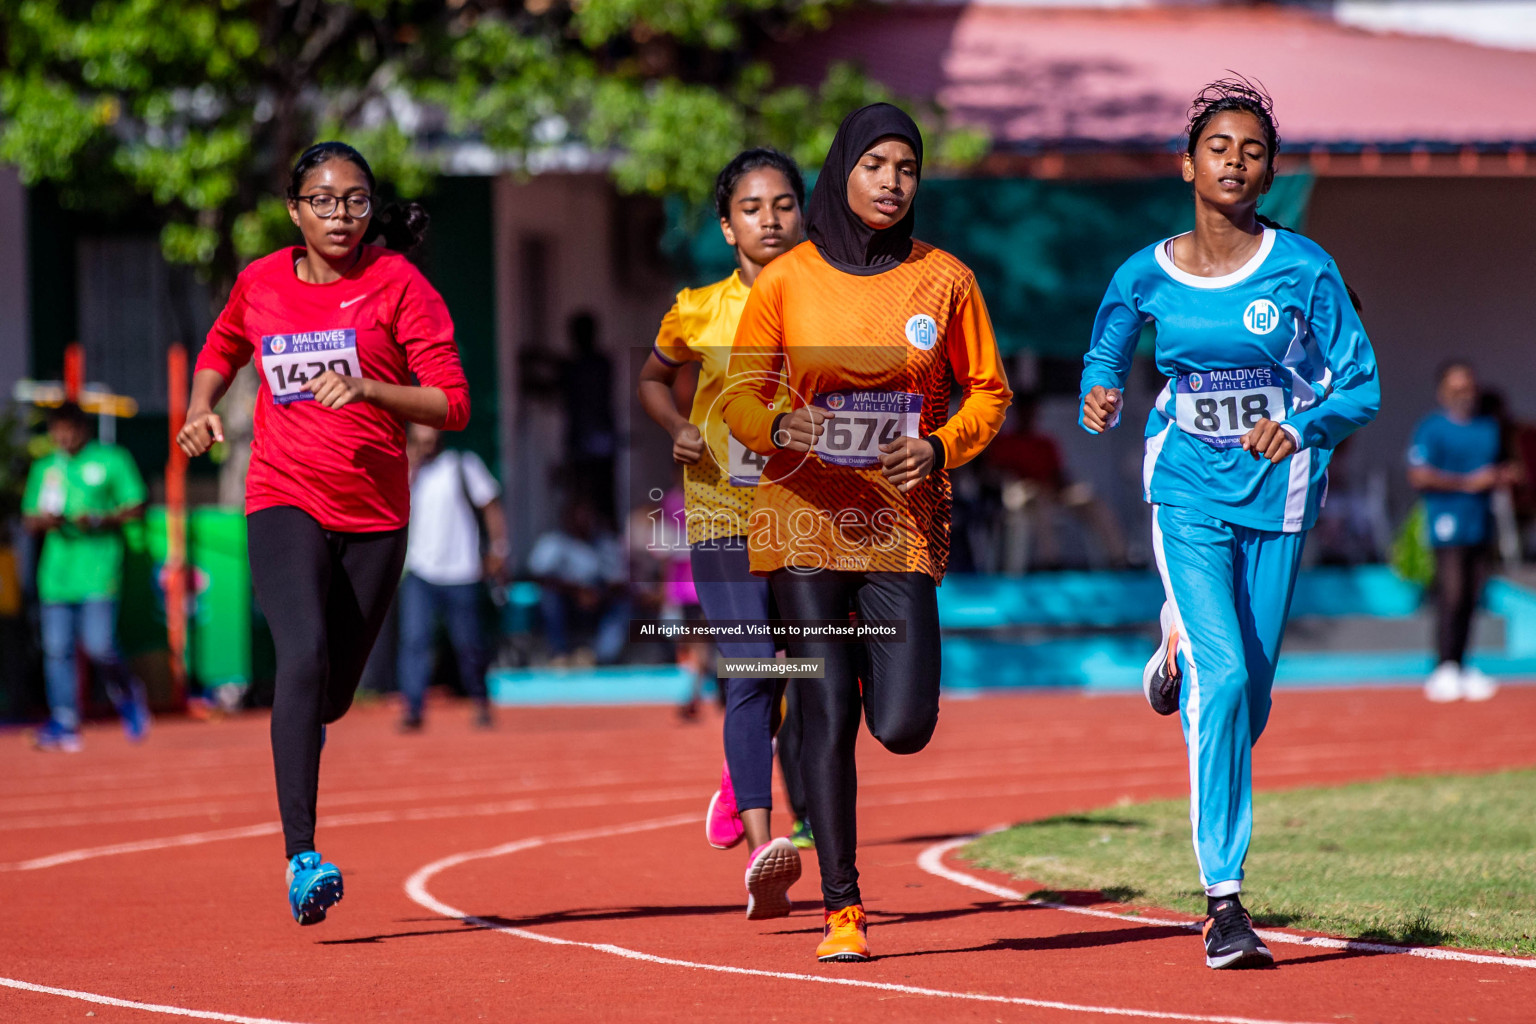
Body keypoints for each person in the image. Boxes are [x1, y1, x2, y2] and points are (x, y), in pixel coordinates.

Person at [1080, 78, 1380, 970]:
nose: (1236, 161)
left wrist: (1299, 424)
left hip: (1280, 494)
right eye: (1220, 146)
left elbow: (1359, 385)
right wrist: (1101, 385)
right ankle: (1225, 903)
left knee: (1246, 696)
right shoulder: (1146, 271)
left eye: (1253, 150)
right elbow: (1110, 337)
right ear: (1187, 164)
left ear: (1270, 173)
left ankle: (1174, 645)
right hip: (1184, 487)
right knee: (1225, 680)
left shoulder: (1304, 268)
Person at [722, 105, 1012, 961]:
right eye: (875, 164)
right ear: (842, 170)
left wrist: (938, 443)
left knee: (903, 723)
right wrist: (781, 429)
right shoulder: (786, 280)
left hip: (898, 529)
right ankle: (841, 909)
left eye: (907, 168)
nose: (891, 181)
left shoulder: (945, 281)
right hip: (801, 520)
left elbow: (989, 392)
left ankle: (818, 726)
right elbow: (739, 397)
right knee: (824, 706)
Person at [177, 141, 469, 926]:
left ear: (371, 210)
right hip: (283, 495)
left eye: (355, 201)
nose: (340, 215)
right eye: (323, 200)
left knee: (332, 692)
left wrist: (371, 387)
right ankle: (302, 857)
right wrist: (201, 406)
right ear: (294, 210)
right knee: (300, 655)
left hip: (376, 515)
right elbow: (223, 345)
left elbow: (452, 403)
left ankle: (317, 704)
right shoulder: (261, 280)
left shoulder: (398, 284)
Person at [637, 148, 809, 920]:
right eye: (751, 208)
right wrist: (676, 423)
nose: (768, 220)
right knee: (749, 665)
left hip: (813, 517)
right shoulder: (696, 309)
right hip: (721, 516)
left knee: (810, 675)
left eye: (782, 205)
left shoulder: (831, 302)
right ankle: (764, 848)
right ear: (726, 225)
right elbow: (649, 375)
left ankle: (744, 779)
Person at [21, 401, 151, 751]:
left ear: (83, 429)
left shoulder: (112, 459)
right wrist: (45, 521)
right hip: (56, 576)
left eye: (69, 428)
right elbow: (28, 518)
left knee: (99, 645)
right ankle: (64, 721)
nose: (63, 436)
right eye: (56, 430)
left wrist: (96, 519)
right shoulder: (45, 467)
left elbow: (137, 506)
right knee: (56, 650)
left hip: (98, 570)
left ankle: (126, 691)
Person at [1407, 361, 1511, 702]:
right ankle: (1444, 665)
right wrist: (1467, 483)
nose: (1463, 393)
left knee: (1471, 594)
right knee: (1451, 592)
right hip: (1446, 519)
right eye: (1456, 387)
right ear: (1443, 392)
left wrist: (1498, 477)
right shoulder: (1432, 428)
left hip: (1480, 520)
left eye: (1468, 386)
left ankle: (1462, 664)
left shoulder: (1488, 427)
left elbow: (1509, 468)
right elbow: (1419, 474)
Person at [397, 423, 508, 731]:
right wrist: (412, 463)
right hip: (419, 571)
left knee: (469, 643)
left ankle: (480, 701)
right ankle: (413, 708)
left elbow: (491, 505)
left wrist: (499, 549)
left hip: (462, 571)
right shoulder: (407, 470)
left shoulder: (463, 465)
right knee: (415, 640)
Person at [527, 499, 628, 664]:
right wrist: (576, 592)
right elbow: (536, 577)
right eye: (577, 517)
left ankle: (599, 656)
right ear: (566, 518)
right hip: (566, 603)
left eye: (587, 517)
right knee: (549, 598)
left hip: (598, 603)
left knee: (623, 604)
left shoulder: (605, 543)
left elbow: (619, 582)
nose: (583, 521)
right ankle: (560, 654)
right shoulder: (553, 542)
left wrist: (598, 595)